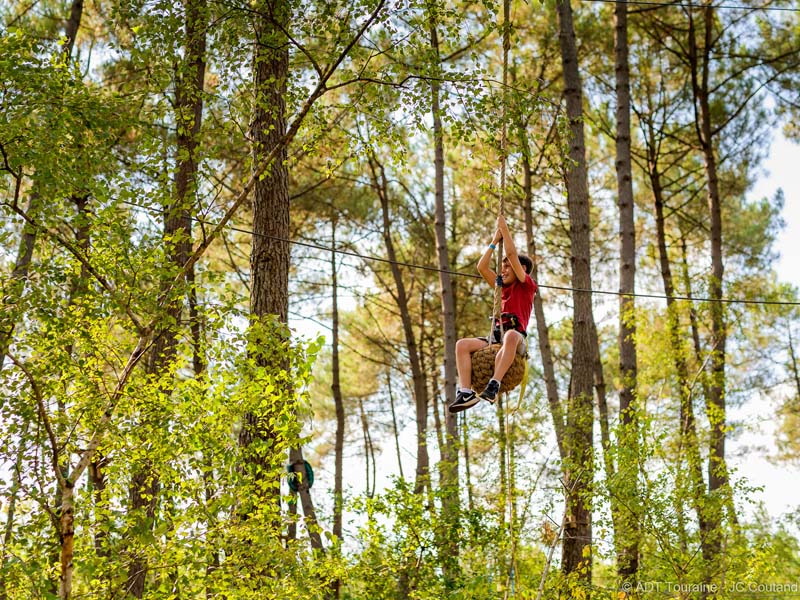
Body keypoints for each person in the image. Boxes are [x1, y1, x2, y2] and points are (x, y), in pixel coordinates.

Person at [448, 215, 537, 414]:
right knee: (462, 345)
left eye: (507, 267)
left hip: (515, 339)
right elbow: (481, 267)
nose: (502, 270)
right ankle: (465, 392)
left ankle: (494, 385)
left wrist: (505, 229)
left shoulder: (527, 285)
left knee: (510, 335)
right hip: (496, 338)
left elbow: (512, 254)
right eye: (502, 267)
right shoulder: (501, 288)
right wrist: (494, 242)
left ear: (521, 269)